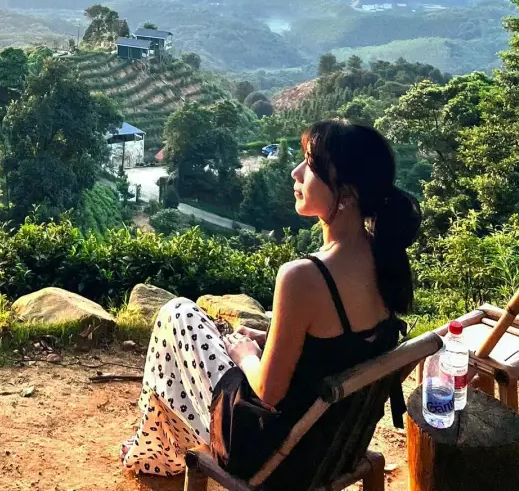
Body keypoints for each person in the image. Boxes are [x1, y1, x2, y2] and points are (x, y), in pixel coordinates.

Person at [121, 120, 420, 486]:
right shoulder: (385, 259)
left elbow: (267, 391)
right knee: (201, 333)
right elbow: (338, 349)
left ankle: (153, 453)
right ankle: (153, 451)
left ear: (347, 194)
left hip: (271, 454)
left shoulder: (303, 277)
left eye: (310, 164)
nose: (296, 172)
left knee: (178, 315)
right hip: (333, 445)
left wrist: (247, 354)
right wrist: (269, 340)